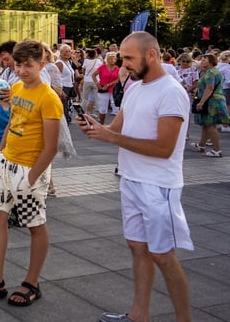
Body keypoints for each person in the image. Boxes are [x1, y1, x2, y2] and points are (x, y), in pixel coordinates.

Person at [78, 32, 193, 322]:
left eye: (129, 58)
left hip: (158, 185)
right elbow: (116, 130)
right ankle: (138, 315)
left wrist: (111, 137)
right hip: (131, 179)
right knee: (138, 248)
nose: (123, 65)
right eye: (122, 58)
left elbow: (164, 148)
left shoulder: (171, 92)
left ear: (151, 55)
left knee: (163, 256)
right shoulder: (134, 88)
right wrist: (95, 128)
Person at [0, 40, 62, 308]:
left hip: (31, 168)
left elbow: (51, 147)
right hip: (7, 163)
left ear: (41, 64)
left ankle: (32, 282)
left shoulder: (48, 98)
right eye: (18, 64)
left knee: (34, 224)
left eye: (28, 65)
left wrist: (31, 178)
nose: (21, 70)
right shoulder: (15, 89)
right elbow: (10, 126)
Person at [192, 52, 228, 157]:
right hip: (214, 100)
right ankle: (202, 145)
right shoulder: (212, 71)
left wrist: (201, 102)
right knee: (206, 124)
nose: (202, 61)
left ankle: (217, 150)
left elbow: (209, 88)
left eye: (205, 59)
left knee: (211, 125)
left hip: (212, 102)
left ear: (211, 61)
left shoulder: (210, 73)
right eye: (202, 59)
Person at [93, 51, 121, 125]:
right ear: (107, 59)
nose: (112, 60)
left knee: (116, 108)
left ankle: (115, 126)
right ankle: (101, 124)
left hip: (113, 89)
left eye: (114, 59)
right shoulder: (102, 67)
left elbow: (118, 79)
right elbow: (93, 75)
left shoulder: (117, 68)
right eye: (110, 59)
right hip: (103, 89)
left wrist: (109, 84)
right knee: (103, 108)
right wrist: (97, 84)